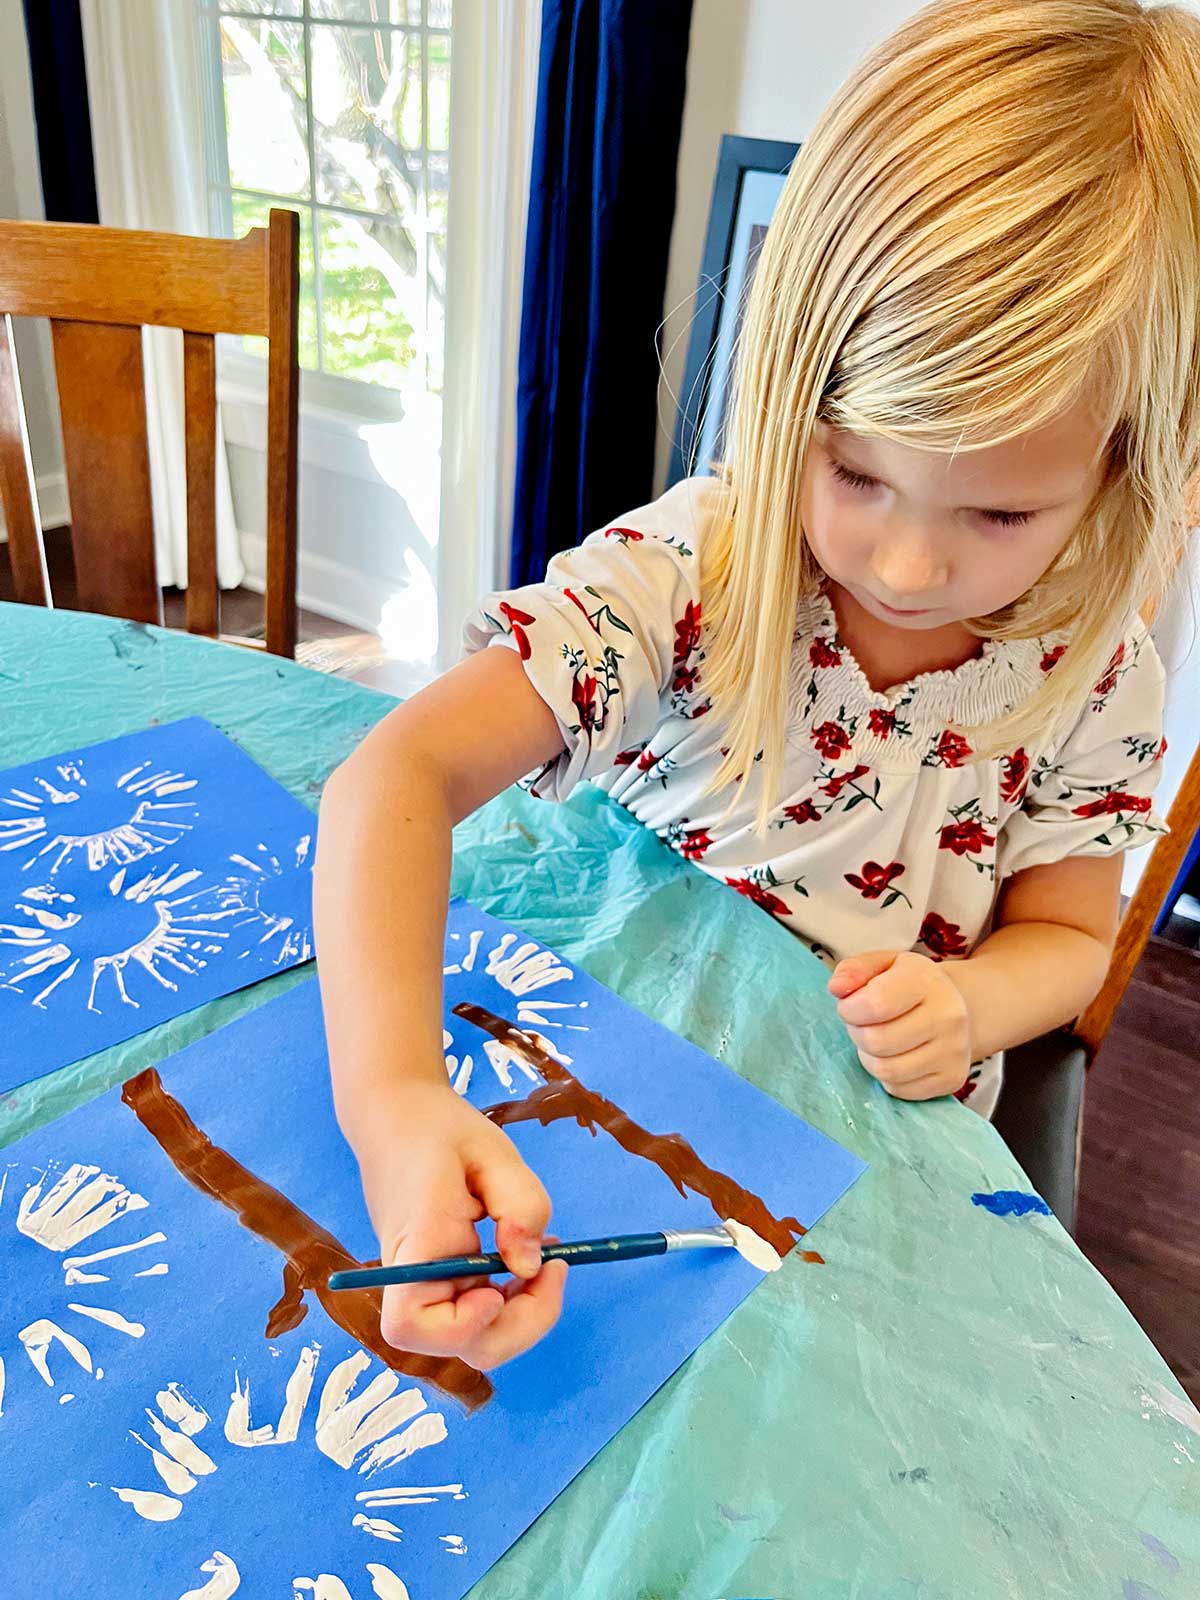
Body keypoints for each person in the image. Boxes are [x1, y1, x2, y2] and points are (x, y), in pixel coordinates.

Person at [314, 0, 1197, 1372]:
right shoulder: (700, 567)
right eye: (854, 473)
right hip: (590, 1090)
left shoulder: (1100, 683)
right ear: (782, 380)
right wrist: (390, 1097)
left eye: (1003, 516)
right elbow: (397, 774)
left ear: (1126, 471)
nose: (906, 563)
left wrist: (969, 1009)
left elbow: (1072, 942)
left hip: (866, 1180)